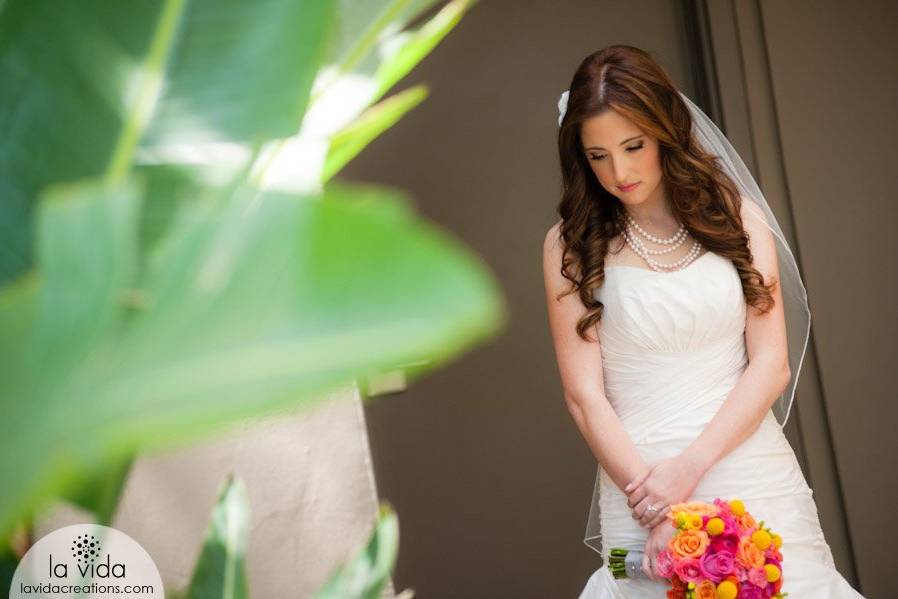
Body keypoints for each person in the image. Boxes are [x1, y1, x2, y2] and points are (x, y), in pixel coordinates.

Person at [542, 45, 865, 598]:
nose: (618, 171)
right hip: (636, 486)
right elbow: (583, 397)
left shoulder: (738, 217)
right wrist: (653, 503)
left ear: (664, 130)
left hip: (751, 467)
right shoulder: (568, 246)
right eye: (597, 156)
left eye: (633, 146)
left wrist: (688, 468)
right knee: (633, 577)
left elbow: (771, 363)